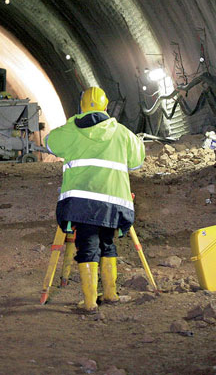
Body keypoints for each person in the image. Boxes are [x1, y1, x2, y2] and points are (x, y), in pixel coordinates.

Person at [45, 87, 145, 311]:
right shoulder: (121, 132)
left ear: (81, 106)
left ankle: (90, 302)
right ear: (106, 106)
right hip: (114, 202)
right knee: (107, 242)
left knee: (87, 245)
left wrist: (71, 124)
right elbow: (138, 161)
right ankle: (110, 294)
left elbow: (50, 143)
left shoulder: (71, 130)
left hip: (82, 202)